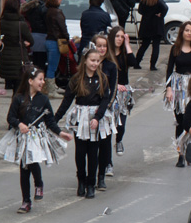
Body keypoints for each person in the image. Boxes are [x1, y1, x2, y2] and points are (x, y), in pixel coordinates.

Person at [0, 67, 72, 213]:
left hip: (37, 137)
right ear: (30, 81)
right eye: (40, 79)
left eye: (43, 79)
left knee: (33, 161)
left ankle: (39, 183)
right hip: (22, 137)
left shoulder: (43, 99)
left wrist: (61, 133)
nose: (42, 82)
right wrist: (19, 124)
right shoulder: (18, 99)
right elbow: (10, 118)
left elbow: (50, 121)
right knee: (24, 168)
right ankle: (26, 201)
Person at [55, 48, 114, 199]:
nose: (95, 63)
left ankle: (91, 184)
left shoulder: (102, 78)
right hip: (80, 118)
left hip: (95, 118)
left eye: (97, 61)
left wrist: (97, 117)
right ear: (85, 61)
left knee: (93, 152)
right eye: (92, 60)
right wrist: (54, 120)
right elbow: (67, 100)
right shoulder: (76, 79)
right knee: (80, 153)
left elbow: (105, 100)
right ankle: (81, 180)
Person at [165, 21, 191, 168]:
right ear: (182, 32)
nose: (189, 33)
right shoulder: (175, 49)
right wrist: (169, 89)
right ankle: (181, 153)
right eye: (187, 30)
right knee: (181, 121)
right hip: (178, 89)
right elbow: (169, 70)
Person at [91, 34, 118, 191]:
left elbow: (112, 89)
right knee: (90, 146)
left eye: (104, 46)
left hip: (105, 111)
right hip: (89, 110)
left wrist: (105, 107)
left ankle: (101, 176)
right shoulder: (88, 64)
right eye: (99, 45)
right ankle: (89, 176)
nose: (101, 49)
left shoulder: (111, 66)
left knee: (105, 144)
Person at [109, 26, 136, 156]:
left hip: (123, 93)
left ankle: (119, 141)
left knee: (121, 124)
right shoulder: (107, 54)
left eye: (121, 36)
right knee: (109, 126)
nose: (119, 39)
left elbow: (133, 62)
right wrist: (115, 85)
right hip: (110, 92)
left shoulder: (125, 53)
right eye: (117, 36)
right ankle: (107, 161)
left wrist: (127, 44)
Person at [0, 0, 33, 92]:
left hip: (5, 58)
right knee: (19, 90)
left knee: (12, 86)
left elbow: (2, 37)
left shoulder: (2, 22)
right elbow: (31, 40)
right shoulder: (21, 24)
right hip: (18, 60)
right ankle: (15, 106)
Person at [135, 0, 169, 71]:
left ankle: (136, 62)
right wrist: (161, 15)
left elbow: (140, 10)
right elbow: (165, 8)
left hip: (146, 24)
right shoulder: (158, 0)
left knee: (144, 45)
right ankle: (152, 65)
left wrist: (146, 14)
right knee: (156, 46)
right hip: (156, 25)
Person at [44, 0, 69, 97]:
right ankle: (51, 91)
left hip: (49, 40)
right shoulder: (57, 13)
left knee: (51, 65)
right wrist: (66, 37)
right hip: (55, 41)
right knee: (52, 67)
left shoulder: (48, 11)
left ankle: (51, 87)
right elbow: (62, 27)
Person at [21, 0, 49, 71]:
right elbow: (45, 21)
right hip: (42, 35)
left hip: (33, 35)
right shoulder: (43, 7)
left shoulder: (31, 5)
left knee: (35, 59)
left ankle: (34, 76)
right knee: (41, 60)